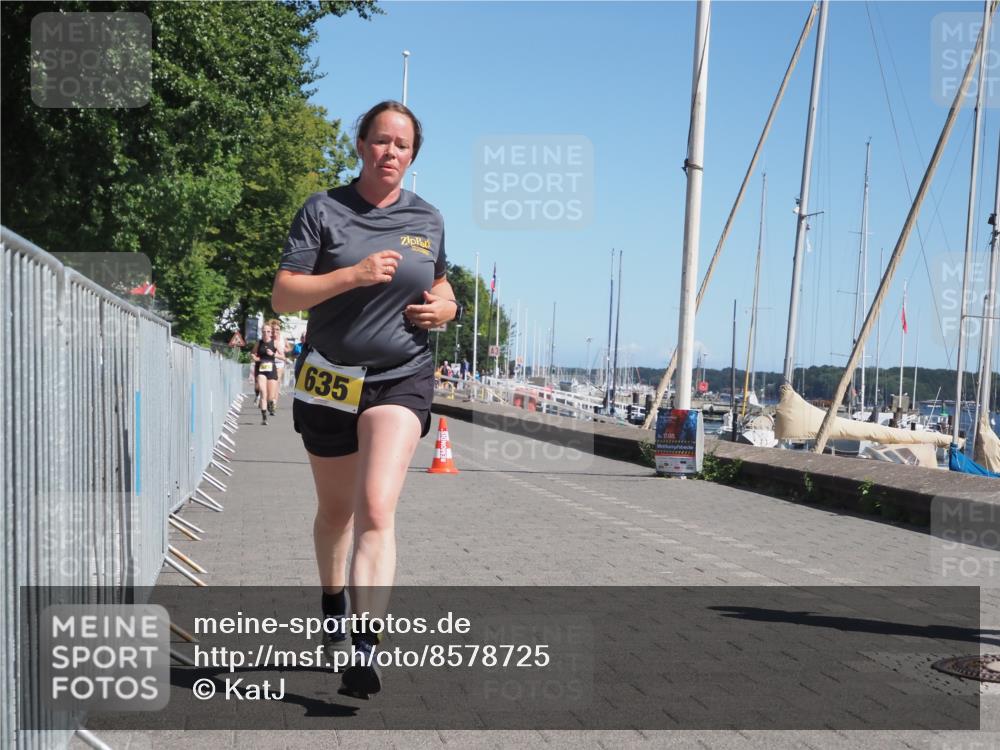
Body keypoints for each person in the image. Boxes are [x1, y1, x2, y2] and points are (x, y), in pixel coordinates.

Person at [271, 101, 460, 700]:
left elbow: (440, 281)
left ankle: (364, 648)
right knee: (337, 514)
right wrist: (350, 275)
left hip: (400, 374)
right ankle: (332, 599)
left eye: (402, 145)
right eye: (381, 141)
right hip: (330, 377)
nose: (390, 153)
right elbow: (283, 296)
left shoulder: (427, 218)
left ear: (413, 155)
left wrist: (447, 308)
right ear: (360, 145)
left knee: (377, 507)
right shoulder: (323, 210)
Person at [251, 326, 280, 424]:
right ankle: (264, 418)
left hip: (272, 370)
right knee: (263, 393)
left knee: (270, 397)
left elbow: (283, 357)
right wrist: (254, 357)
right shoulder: (259, 343)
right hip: (261, 370)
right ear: (261, 332)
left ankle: (270, 404)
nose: (265, 333)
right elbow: (253, 353)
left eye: (268, 331)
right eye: (264, 331)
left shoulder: (275, 343)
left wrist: (273, 354)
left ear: (271, 333)